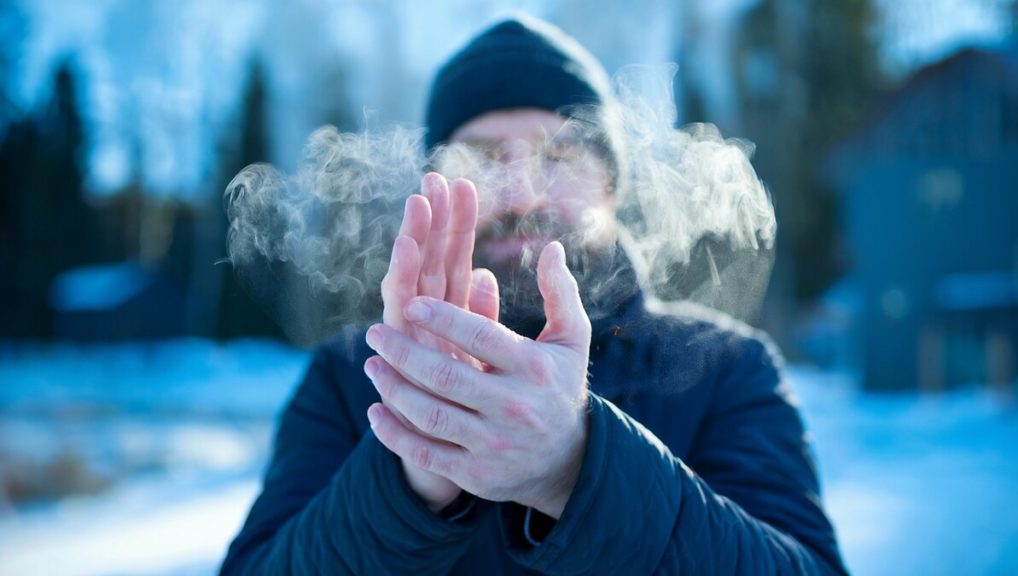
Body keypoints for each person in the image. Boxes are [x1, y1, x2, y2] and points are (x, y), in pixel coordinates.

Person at [220, 14, 848, 575]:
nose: (522, 193)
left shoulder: (728, 368)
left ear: (612, 185)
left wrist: (577, 467)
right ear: (435, 187)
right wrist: (407, 483)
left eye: (562, 155)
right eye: (484, 158)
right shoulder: (352, 376)